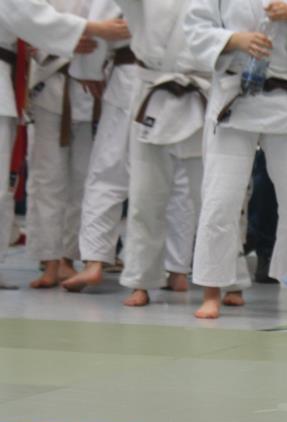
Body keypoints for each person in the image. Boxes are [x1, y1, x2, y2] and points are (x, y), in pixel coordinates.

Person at [183, 1, 287, 319]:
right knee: (221, 198)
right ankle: (212, 290)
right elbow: (193, 30)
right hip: (234, 97)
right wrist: (234, 40)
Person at [62, 0, 197, 294]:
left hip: (135, 77)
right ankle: (177, 269)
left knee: (109, 171)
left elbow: (105, 14)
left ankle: (95, 261)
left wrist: (88, 69)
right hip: (191, 81)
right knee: (180, 178)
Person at [112, 0, 209, 308]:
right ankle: (141, 280)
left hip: (203, 87)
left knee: (213, 196)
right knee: (145, 195)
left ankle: (228, 280)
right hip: (152, 86)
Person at [24, 0, 107, 289]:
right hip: (49, 85)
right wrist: (61, 41)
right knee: (47, 178)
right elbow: (29, 22)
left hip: (90, 88)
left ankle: (69, 258)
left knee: (84, 180)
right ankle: (49, 259)